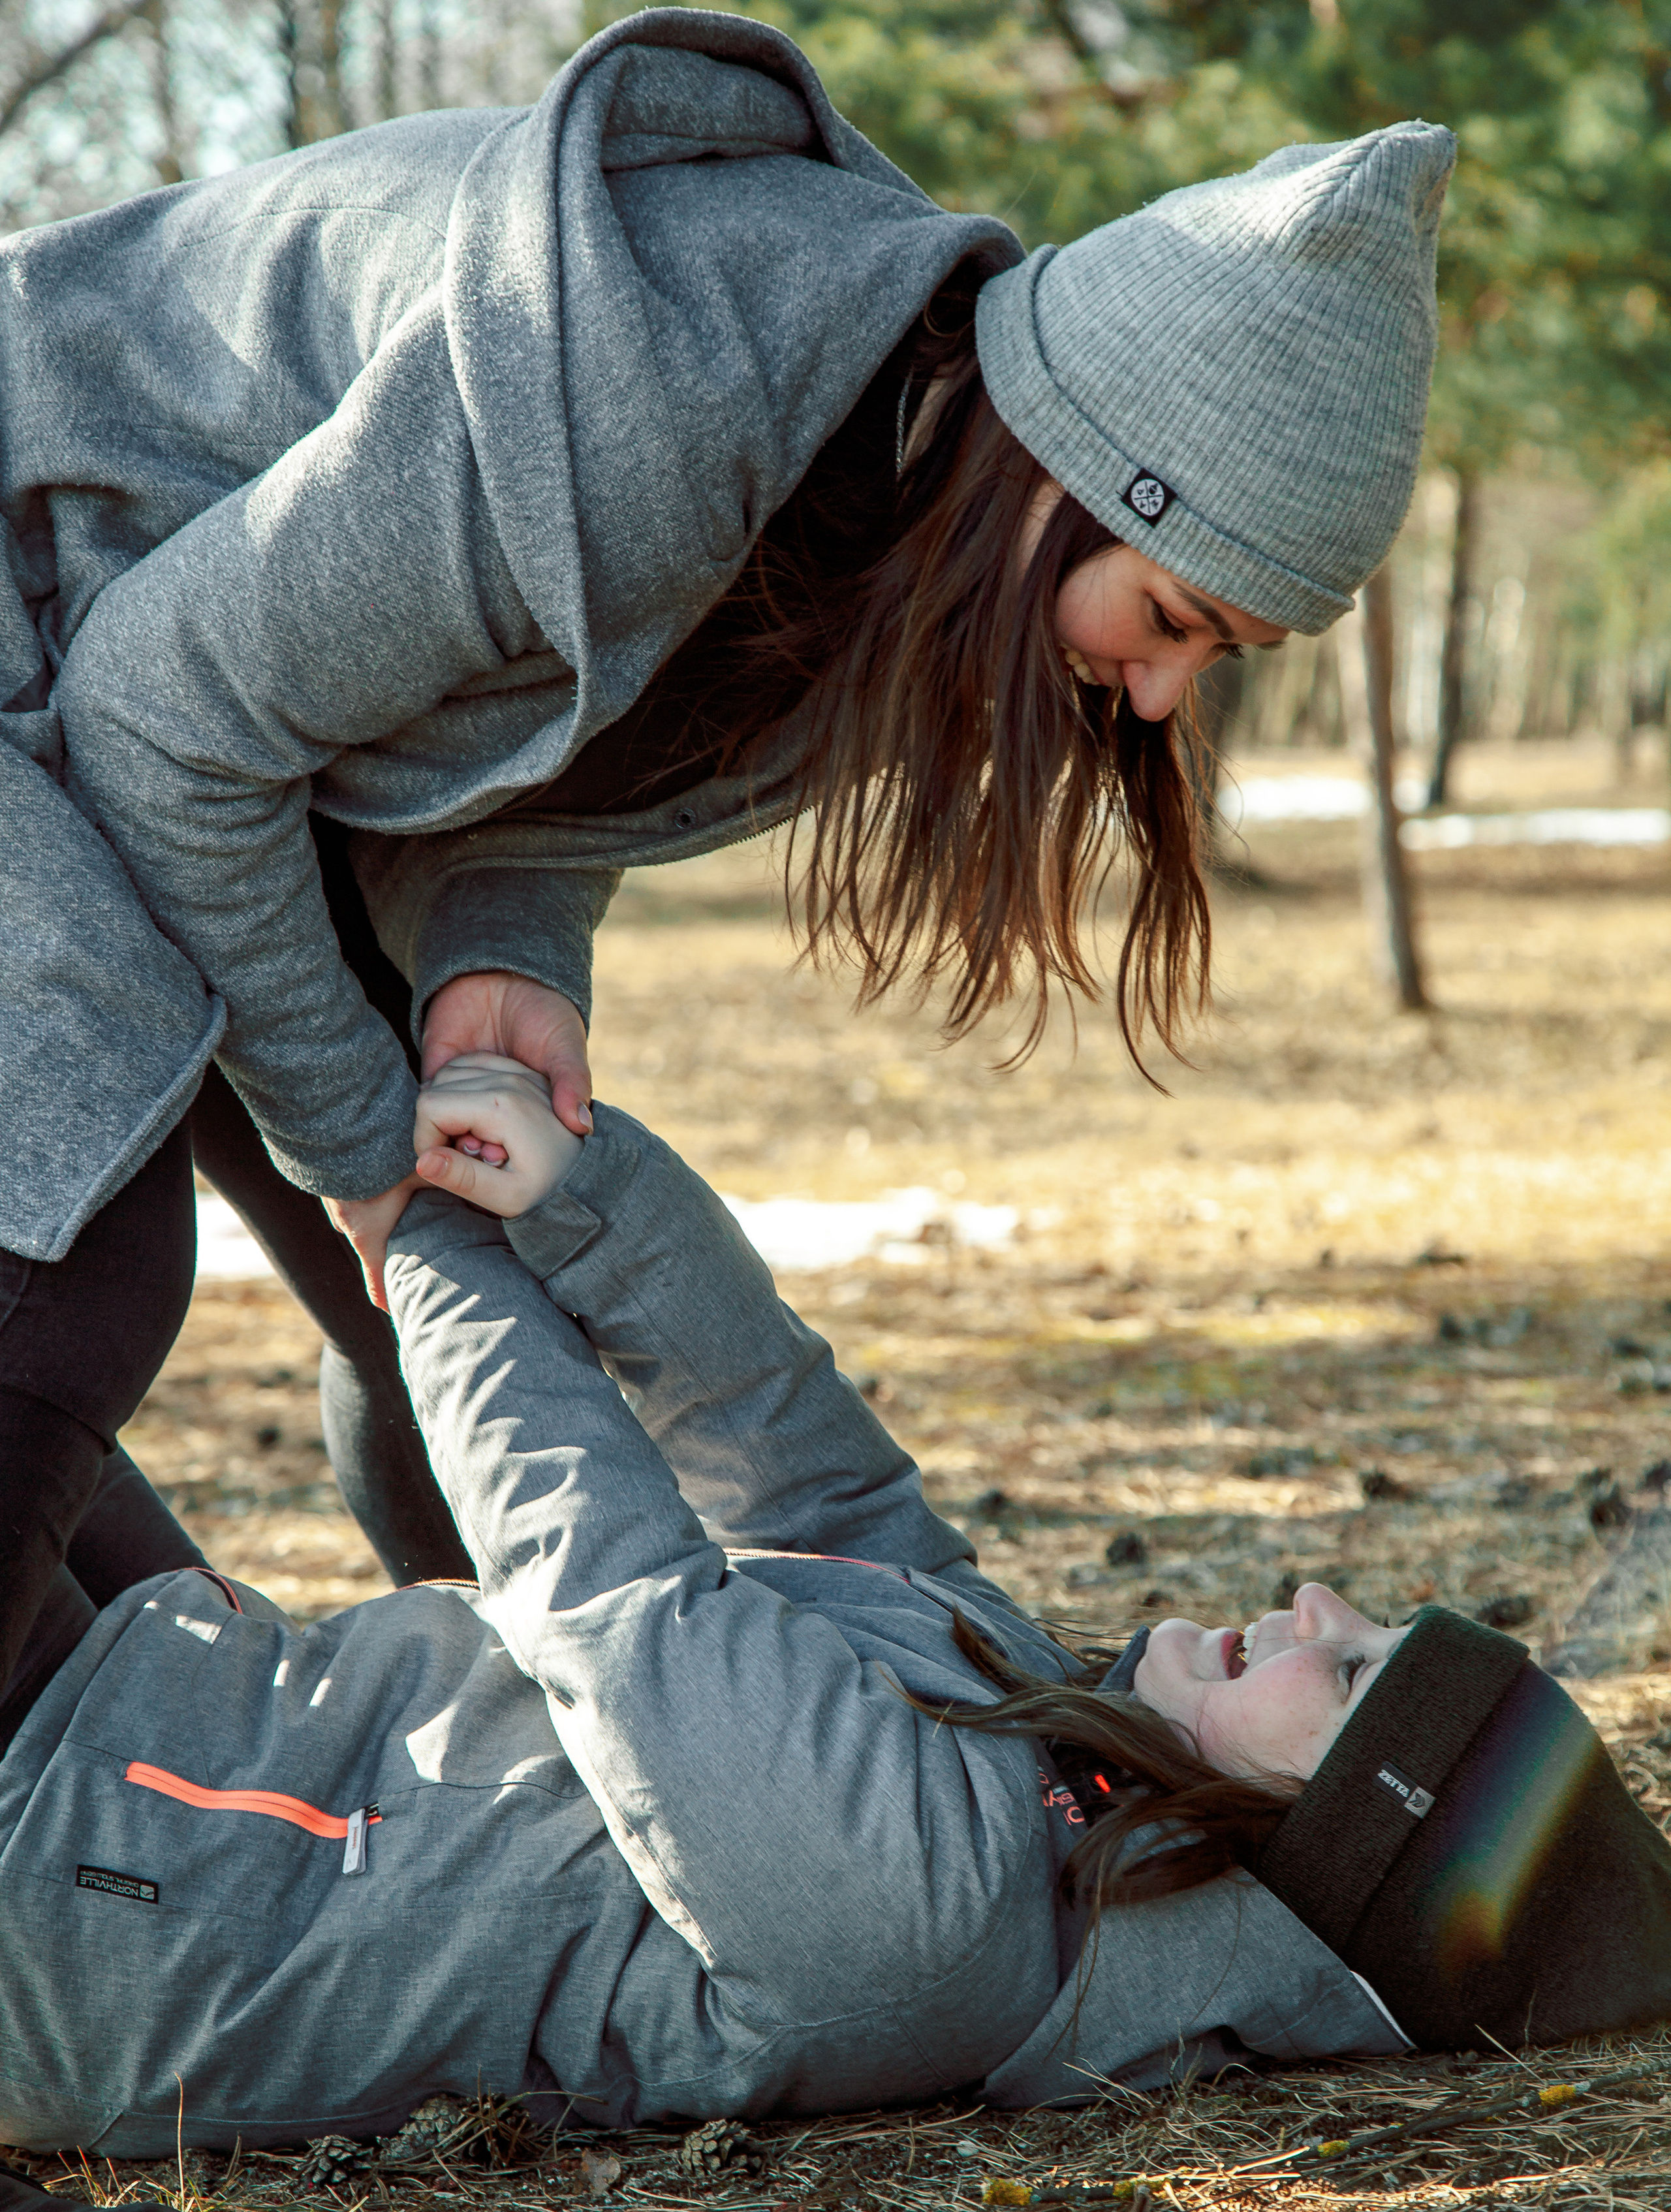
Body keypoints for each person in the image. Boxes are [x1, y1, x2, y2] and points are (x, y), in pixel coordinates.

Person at [0, 5, 1456, 1667]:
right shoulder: (659, 377)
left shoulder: (898, 508)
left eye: (1216, 659)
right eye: (1172, 616)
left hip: (166, 708)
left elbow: (561, 730)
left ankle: (507, 1805)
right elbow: (161, 721)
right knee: (72, 1256)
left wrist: (502, 949)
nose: (1152, 699)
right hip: (51, 630)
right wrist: (354, 1151)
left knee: (488, 1288)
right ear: (1073, 474)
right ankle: (101, 1850)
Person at [4, 1064, 1668, 2212]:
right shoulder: (1048, 1760)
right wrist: (590, 1193)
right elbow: (804, 1457)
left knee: (88, 1257)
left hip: (104, 1894)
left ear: (1321, 1845)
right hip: (185, 1735)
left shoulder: (933, 1923)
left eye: (1355, 1669)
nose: (1310, 1605)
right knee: (121, 1149)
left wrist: (423, 1233)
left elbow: (614, 1587)